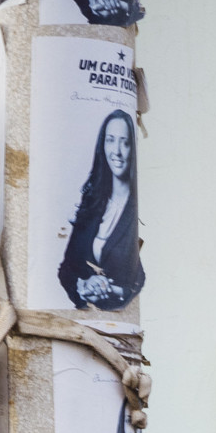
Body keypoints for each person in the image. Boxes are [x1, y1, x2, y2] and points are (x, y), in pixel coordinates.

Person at [58, 109, 143, 311]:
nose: (117, 151)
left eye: (125, 142)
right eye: (110, 140)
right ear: (102, 145)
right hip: (82, 317)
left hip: (118, 318)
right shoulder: (93, 200)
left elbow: (138, 278)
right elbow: (66, 268)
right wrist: (83, 285)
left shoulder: (138, 207)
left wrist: (110, 290)